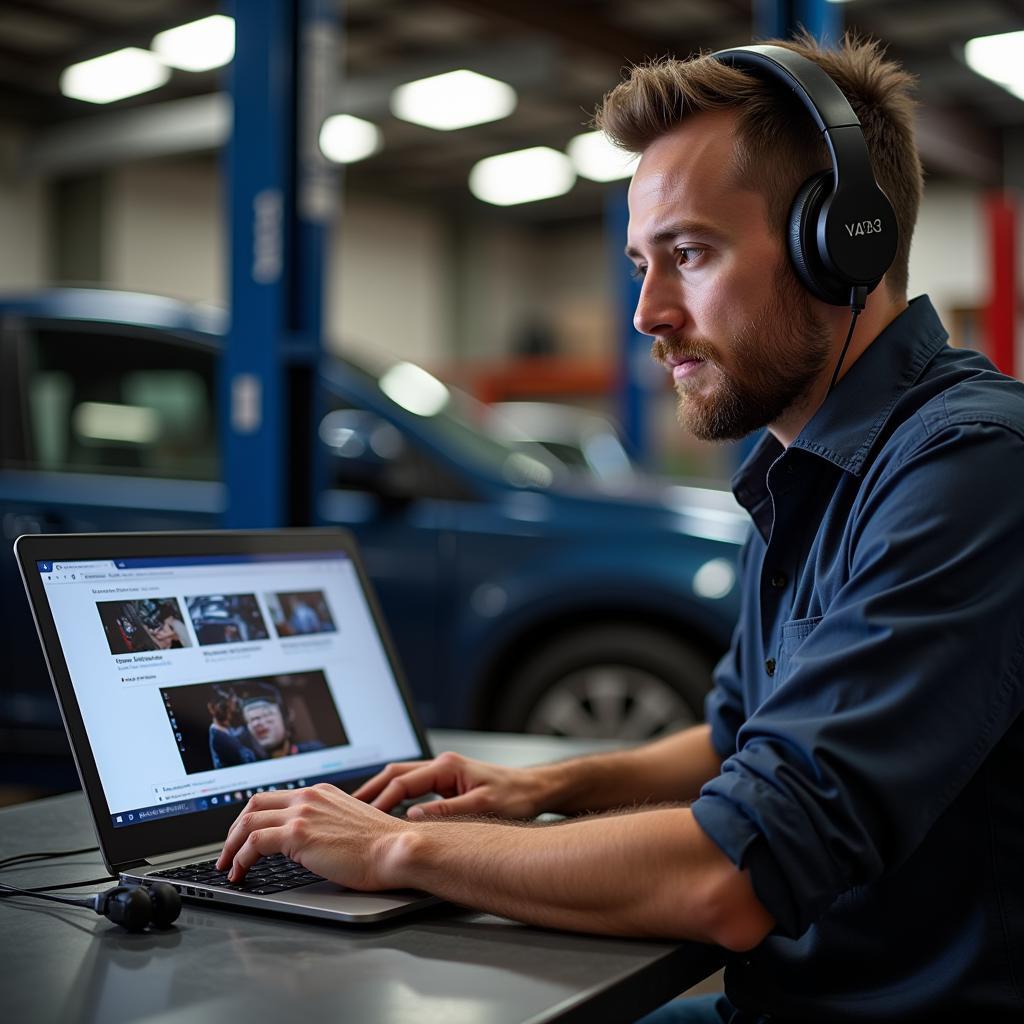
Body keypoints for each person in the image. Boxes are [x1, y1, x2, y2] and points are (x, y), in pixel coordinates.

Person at [217, 34, 1024, 1021]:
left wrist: (396, 846)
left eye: (688, 253)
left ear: (840, 244)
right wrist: (540, 787)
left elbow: (729, 875)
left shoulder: (974, 470)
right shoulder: (802, 466)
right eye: (642, 262)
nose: (646, 311)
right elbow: (735, 741)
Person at [240, 689, 325, 759]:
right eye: (250, 720)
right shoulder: (249, 762)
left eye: (266, 714)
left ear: (287, 715)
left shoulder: (316, 752)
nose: (256, 723)